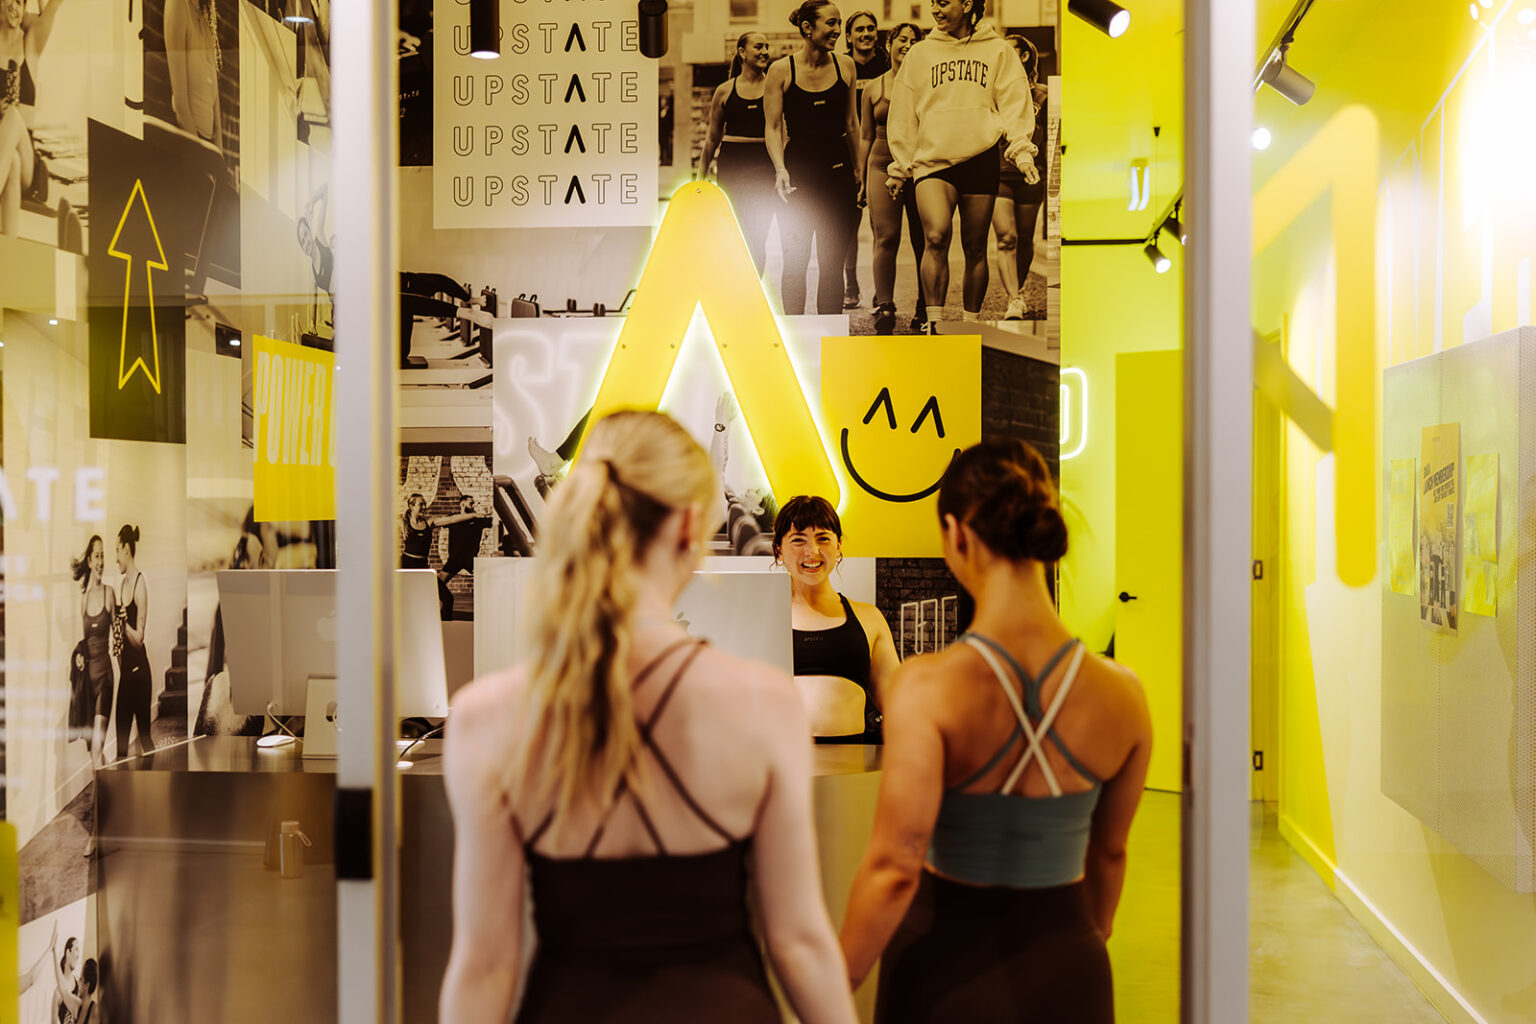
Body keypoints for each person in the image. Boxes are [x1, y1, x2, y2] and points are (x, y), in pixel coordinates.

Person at [439, 411, 857, 1024]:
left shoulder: (486, 717)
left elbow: (484, 968)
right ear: (690, 525)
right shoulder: (766, 704)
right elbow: (798, 943)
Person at [839, 438, 1152, 1023]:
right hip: (1070, 968)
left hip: (943, 972)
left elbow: (894, 867)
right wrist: (1077, 946)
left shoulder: (925, 687)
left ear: (955, 534)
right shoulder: (1123, 694)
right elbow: (1109, 853)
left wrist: (830, 991)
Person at [884, 0, 1037, 332]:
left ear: (967, 4)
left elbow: (1014, 103)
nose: (935, 10)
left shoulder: (998, 50)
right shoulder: (920, 54)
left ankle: (970, 325)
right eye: (932, 3)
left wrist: (1022, 151)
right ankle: (934, 325)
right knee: (936, 236)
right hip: (931, 160)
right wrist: (900, 166)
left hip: (980, 158)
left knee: (975, 247)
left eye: (943, 2)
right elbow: (904, 114)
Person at [774, 495, 899, 743]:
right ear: (779, 549)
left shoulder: (869, 618)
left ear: (839, 545)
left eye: (823, 539)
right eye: (798, 540)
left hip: (852, 759)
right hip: (775, 758)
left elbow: (898, 702)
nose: (812, 551)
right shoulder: (760, 618)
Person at [765, 0, 861, 316]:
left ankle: (827, 335)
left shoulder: (846, 66)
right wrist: (780, 169)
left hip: (838, 172)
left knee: (832, 262)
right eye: (831, 23)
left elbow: (851, 123)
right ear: (808, 27)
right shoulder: (781, 70)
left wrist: (859, 169)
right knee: (795, 260)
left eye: (839, 23)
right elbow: (773, 127)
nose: (838, 30)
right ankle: (795, 334)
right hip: (798, 174)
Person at [857, 22, 925, 334]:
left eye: (914, 41)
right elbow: (865, 136)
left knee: (924, 239)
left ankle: (926, 305)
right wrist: (861, 177)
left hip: (920, 166)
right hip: (881, 165)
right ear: (889, 44)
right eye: (902, 39)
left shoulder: (927, 84)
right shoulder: (874, 88)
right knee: (886, 237)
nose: (907, 45)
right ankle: (885, 305)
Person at [701, 32, 777, 274]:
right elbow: (712, 138)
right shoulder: (724, 91)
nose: (765, 51)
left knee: (759, 235)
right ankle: (733, 284)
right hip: (732, 168)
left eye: (767, 47)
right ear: (742, 52)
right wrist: (700, 179)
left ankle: (753, 287)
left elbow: (783, 132)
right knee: (735, 232)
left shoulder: (776, 88)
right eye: (758, 46)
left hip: (765, 167)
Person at [0, 0, 67, 236]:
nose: (16, 6)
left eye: (21, 2)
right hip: (6, 156)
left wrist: (31, 15)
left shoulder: (30, 43)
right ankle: (10, 246)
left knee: (13, 114)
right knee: (12, 163)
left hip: (26, 153)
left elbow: (54, 6)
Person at [993, 35, 1048, 321]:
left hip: (1032, 173)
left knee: (1025, 238)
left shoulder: (1043, 95)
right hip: (999, 172)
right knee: (1006, 238)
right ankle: (1014, 300)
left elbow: (1052, 138)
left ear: (1024, 56)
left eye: (1009, 51)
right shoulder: (994, 92)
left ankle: (1020, 289)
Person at [841, 9, 887, 311]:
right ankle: (851, 286)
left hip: (879, 153)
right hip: (847, 154)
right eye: (859, 29)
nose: (866, 34)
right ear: (849, 36)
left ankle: (881, 290)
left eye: (871, 28)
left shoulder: (888, 64)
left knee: (880, 226)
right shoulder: (841, 66)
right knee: (848, 225)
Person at [70, 535, 116, 770]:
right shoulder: (83, 600)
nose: (101, 562)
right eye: (97, 556)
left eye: (103, 556)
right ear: (89, 561)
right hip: (88, 684)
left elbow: (118, 638)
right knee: (94, 754)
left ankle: (102, 795)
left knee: (97, 749)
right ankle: (109, 789)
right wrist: (79, 654)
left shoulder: (109, 594)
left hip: (105, 680)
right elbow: (85, 641)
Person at [114, 524, 157, 759]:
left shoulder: (140, 584)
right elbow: (119, 639)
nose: (115, 558)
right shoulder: (122, 585)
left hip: (141, 675)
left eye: (116, 550)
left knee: (145, 738)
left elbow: (139, 638)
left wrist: (124, 624)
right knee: (121, 747)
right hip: (126, 676)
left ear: (126, 549)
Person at [164, 0, 223, 147]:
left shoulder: (207, 24)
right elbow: (181, 107)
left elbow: (217, 123)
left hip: (208, 146)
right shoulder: (177, 5)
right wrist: (200, 154)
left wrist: (218, 154)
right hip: (188, 143)